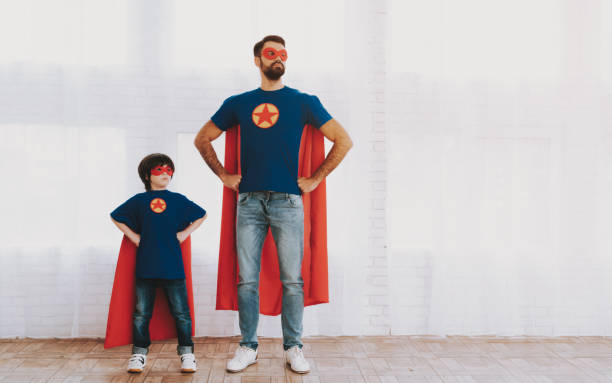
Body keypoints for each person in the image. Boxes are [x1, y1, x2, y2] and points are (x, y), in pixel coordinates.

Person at [194, 35, 353, 374]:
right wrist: (224, 174)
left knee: (292, 280)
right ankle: (248, 346)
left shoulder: (304, 101)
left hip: (288, 202)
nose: (278, 58)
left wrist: (314, 178)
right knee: (247, 279)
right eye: (270, 54)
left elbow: (343, 139)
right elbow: (203, 137)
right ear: (258, 61)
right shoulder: (238, 103)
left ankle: (294, 347)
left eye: (282, 54)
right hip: (249, 201)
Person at [110, 153, 207, 373]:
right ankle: (139, 353)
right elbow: (115, 215)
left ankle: (187, 353)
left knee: (181, 313)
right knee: (142, 313)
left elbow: (201, 214)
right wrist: (134, 237)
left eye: (168, 169)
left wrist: (184, 233)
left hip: (173, 267)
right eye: (158, 170)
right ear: (147, 175)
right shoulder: (138, 201)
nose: (165, 173)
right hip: (146, 266)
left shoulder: (178, 199)